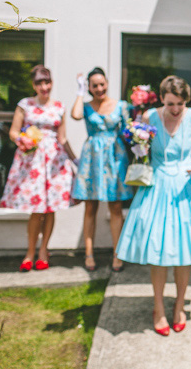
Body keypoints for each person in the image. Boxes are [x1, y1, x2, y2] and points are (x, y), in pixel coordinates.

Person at [117, 75, 191, 336]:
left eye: (180, 103)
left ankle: (179, 306)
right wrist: (139, 147)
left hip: (186, 185)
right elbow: (140, 149)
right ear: (162, 98)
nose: (176, 109)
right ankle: (158, 308)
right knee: (158, 251)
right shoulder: (149, 117)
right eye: (170, 104)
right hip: (156, 186)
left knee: (183, 253)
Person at [1, 65, 76, 272]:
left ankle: (44, 250)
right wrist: (25, 140)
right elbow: (14, 132)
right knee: (36, 210)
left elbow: (62, 138)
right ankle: (30, 252)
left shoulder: (59, 106)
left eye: (47, 82)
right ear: (33, 85)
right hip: (32, 161)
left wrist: (74, 159)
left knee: (50, 208)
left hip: (54, 162)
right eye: (39, 83)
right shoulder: (25, 105)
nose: (44, 87)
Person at [71, 67, 133, 272]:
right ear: (89, 87)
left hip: (115, 158)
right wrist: (80, 92)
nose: (99, 88)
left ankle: (118, 253)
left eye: (102, 84)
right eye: (94, 85)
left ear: (107, 83)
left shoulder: (121, 105)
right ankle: (89, 254)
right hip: (92, 159)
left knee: (115, 207)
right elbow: (76, 115)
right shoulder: (87, 107)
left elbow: (129, 131)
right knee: (90, 207)